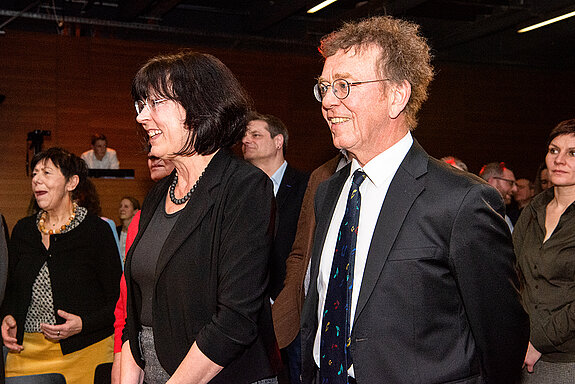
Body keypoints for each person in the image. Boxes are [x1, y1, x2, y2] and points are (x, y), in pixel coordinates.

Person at [300, 16, 529, 384]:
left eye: (344, 86)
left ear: (397, 95)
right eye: (324, 87)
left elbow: (503, 339)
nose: (328, 101)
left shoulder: (460, 201)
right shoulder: (329, 192)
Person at [121, 50, 280, 384]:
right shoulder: (158, 194)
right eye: (142, 105)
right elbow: (135, 313)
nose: (142, 117)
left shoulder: (245, 188)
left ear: (200, 108)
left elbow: (235, 320)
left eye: (156, 104)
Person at [1, 147, 122, 384]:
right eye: (34, 173)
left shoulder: (96, 231)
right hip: (25, 354)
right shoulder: (23, 230)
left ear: (71, 182)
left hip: (87, 351)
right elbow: (12, 292)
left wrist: (83, 325)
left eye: (46, 172)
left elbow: (118, 303)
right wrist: (6, 317)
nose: (36, 180)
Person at [242, 112, 309, 384]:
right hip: (247, 312)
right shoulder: (239, 190)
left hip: (291, 309)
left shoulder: (306, 185)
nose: (245, 140)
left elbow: (305, 247)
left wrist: (282, 297)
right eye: (244, 136)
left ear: (278, 141)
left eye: (255, 135)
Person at [514, 119, 575, 383]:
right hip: (520, 350)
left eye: (573, 153)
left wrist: (538, 340)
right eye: (554, 150)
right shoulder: (533, 210)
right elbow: (510, 272)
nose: (559, 159)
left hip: (566, 359)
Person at [111, 154, 174, 384]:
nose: (152, 158)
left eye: (159, 153)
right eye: (149, 154)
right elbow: (126, 299)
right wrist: (120, 354)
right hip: (141, 353)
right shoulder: (141, 219)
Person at [479, 161, 518, 232]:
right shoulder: (474, 212)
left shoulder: (505, 218)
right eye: (510, 183)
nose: (515, 189)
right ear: (492, 181)